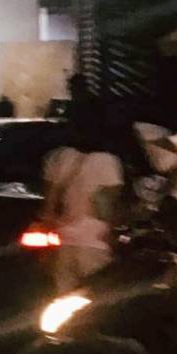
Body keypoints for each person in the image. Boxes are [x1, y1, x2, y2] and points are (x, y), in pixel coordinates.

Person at [39, 108, 125, 292]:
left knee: (63, 304)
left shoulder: (59, 157)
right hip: (94, 242)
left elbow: (49, 205)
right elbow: (108, 206)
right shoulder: (108, 161)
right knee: (94, 304)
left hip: (64, 241)